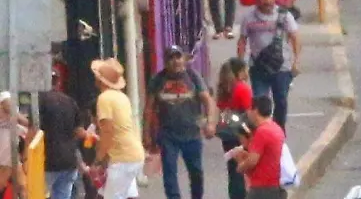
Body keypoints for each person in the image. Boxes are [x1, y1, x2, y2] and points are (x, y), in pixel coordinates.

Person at [145, 46, 217, 199]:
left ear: (183, 59)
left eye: (178, 57)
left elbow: (207, 100)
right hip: (168, 135)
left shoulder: (192, 76)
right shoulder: (157, 80)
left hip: (192, 133)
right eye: (171, 58)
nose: (175, 61)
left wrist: (210, 122)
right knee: (169, 172)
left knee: (196, 172)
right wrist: (147, 134)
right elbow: (149, 108)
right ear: (165, 62)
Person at [237, 0, 301, 130]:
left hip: (282, 67)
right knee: (260, 103)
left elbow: (295, 37)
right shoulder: (248, 18)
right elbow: (242, 41)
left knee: (281, 101)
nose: (268, 1)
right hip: (258, 67)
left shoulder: (284, 16)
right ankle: (262, 132)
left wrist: (296, 61)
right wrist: (241, 66)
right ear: (257, 0)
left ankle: (278, 131)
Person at [90, 58, 144, 199]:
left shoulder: (104, 99)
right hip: (134, 154)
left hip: (122, 157)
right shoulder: (122, 97)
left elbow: (107, 132)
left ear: (100, 80)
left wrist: (98, 159)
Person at [233, 97, 286, 199]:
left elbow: (252, 161)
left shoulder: (262, 132)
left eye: (249, 109)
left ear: (255, 110)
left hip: (262, 188)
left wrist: (240, 165)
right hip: (275, 185)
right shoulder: (276, 128)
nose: (248, 113)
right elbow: (266, 156)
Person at [39, 89, 87, 199]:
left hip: (47, 160)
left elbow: (33, 131)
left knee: (38, 193)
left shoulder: (40, 101)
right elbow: (79, 131)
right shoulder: (70, 101)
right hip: (69, 160)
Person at [216, 59, 253, 199]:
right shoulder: (242, 88)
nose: (247, 73)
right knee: (243, 170)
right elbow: (249, 114)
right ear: (240, 72)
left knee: (233, 170)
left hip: (227, 135)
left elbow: (222, 112)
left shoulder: (224, 88)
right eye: (245, 70)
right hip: (241, 135)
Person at [0, 92, 28, 199]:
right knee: (3, 181)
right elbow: (9, 107)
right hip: (6, 148)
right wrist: (28, 123)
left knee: (22, 185)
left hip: (11, 149)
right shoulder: (5, 97)